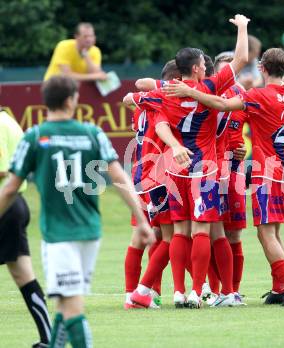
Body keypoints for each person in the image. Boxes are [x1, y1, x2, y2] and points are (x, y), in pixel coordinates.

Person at [0, 76, 154, 348]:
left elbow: (11, 187)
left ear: (45, 102)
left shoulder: (36, 136)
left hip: (59, 235)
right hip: (91, 231)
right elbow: (120, 178)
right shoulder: (93, 134)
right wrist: (141, 219)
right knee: (64, 302)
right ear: (72, 100)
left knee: (72, 307)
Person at [164, 47, 284, 306]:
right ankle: (279, 286)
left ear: (262, 68)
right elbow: (276, 129)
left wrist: (191, 91)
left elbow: (222, 104)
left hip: (266, 171)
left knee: (264, 233)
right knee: (273, 231)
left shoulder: (257, 96)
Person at [124, 14, 250, 309]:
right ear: (196, 68)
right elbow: (242, 58)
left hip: (173, 168)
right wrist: (242, 26)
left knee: (178, 231)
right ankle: (197, 291)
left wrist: (173, 142)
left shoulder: (165, 92)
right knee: (202, 231)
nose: (207, 67)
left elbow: (134, 100)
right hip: (204, 167)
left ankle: (177, 292)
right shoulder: (210, 88)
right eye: (204, 65)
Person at [123, 60, 182, 310]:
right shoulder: (164, 102)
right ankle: (142, 292)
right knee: (169, 236)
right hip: (158, 176)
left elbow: (129, 97)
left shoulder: (143, 106)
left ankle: (135, 294)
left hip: (140, 175)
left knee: (144, 236)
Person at [0, 109, 52, 348]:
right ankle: (48, 338)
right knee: (23, 275)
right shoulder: (10, 121)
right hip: (16, 205)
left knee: (23, 274)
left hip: (4, 203)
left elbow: (3, 170)